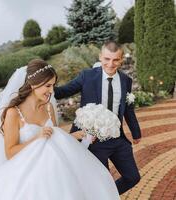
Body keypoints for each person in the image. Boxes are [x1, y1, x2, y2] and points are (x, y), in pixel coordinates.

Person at [0, 59, 120, 200]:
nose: (51, 90)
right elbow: (10, 152)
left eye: (53, 85)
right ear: (33, 84)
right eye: (47, 86)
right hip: (30, 176)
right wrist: (37, 138)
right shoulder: (13, 113)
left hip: (56, 170)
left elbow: (55, 138)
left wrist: (77, 136)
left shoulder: (48, 107)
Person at [54, 41, 141, 195]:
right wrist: (41, 86)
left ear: (121, 60)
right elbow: (63, 92)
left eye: (115, 60)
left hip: (117, 139)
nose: (110, 64)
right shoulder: (87, 76)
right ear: (100, 57)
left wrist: (136, 132)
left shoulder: (125, 80)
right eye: (107, 59)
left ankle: (107, 196)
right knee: (102, 180)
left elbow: (128, 108)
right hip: (93, 140)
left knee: (132, 177)